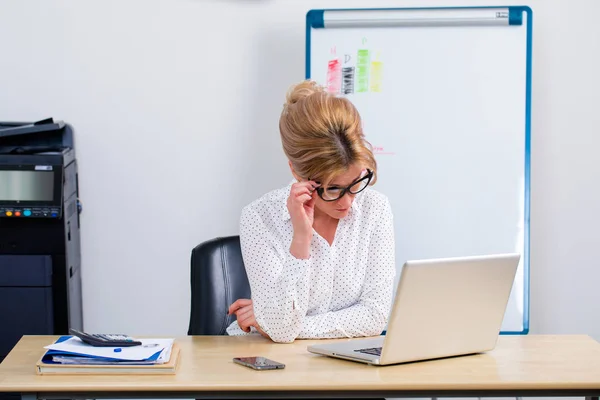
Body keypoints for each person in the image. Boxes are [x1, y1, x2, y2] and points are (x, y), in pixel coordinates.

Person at [226, 80, 396, 343]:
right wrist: (301, 238)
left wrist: (273, 320)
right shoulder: (260, 218)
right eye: (332, 189)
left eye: (355, 184)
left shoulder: (375, 209)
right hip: (270, 361)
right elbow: (281, 333)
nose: (348, 202)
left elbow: (375, 316)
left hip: (343, 364)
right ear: (296, 171)